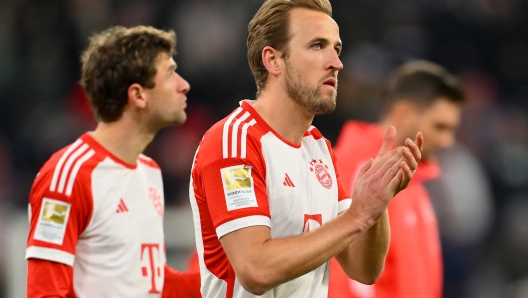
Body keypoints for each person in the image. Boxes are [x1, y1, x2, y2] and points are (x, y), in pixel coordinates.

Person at [189, 0, 423, 297]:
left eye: (336, 49)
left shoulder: (319, 149)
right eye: (317, 46)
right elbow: (255, 270)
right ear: (273, 60)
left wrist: (377, 205)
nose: (336, 63)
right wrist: (357, 216)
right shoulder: (233, 142)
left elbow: (363, 269)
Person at [25, 25, 200, 297]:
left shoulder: (149, 171)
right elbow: (45, 291)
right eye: (170, 74)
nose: (183, 85)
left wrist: (229, 279)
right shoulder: (69, 176)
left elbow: (148, 283)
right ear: (138, 95)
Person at [328, 60, 465, 298]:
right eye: (440, 127)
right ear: (404, 114)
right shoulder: (361, 175)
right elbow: (349, 284)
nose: (447, 141)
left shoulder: (412, 182)